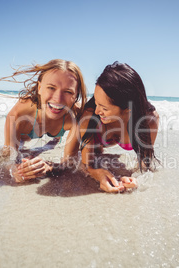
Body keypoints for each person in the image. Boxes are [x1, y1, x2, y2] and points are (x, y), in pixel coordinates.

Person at [64, 61, 159, 193]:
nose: (97, 111)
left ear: (128, 109)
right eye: (96, 102)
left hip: (105, 133)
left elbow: (144, 164)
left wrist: (134, 179)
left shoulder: (149, 121)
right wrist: (97, 174)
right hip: (91, 129)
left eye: (104, 107)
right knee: (68, 161)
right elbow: (86, 164)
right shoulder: (90, 115)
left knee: (98, 155)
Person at [0, 59, 87, 183]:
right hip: (27, 133)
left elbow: (70, 161)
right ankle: (53, 140)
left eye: (68, 91)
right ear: (40, 88)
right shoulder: (21, 113)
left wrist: (50, 166)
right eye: (51, 88)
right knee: (12, 151)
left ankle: (55, 139)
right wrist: (17, 170)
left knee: (52, 144)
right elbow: (8, 157)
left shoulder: (76, 115)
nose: (58, 98)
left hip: (58, 127)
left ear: (76, 94)